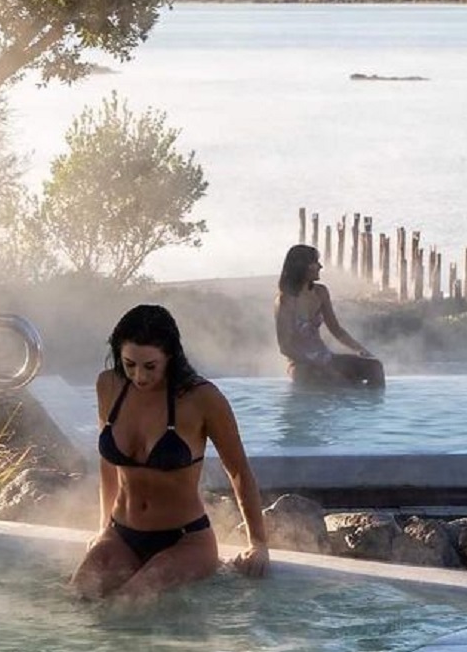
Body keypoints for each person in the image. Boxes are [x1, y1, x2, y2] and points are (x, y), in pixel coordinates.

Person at [72, 304, 269, 601]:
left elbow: (239, 469)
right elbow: (109, 465)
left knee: (130, 602)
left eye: (150, 366)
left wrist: (258, 543)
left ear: (171, 357)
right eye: (129, 364)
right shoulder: (109, 386)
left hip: (184, 541)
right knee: (77, 597)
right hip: (121, 534)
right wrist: (103, 528)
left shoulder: (202, 399)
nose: (139, 376)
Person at [275, 243, 386, 388]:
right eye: (315, 262)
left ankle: (371, 407)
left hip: (325, 358)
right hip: (302, 365)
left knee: (374, 367)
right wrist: (319, 365)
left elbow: (336, 330)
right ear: (302, 266)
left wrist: (360, 350)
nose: (320, 266)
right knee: (337, 382)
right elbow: (285, 346)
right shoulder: (285, 300)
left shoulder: (320, 292)